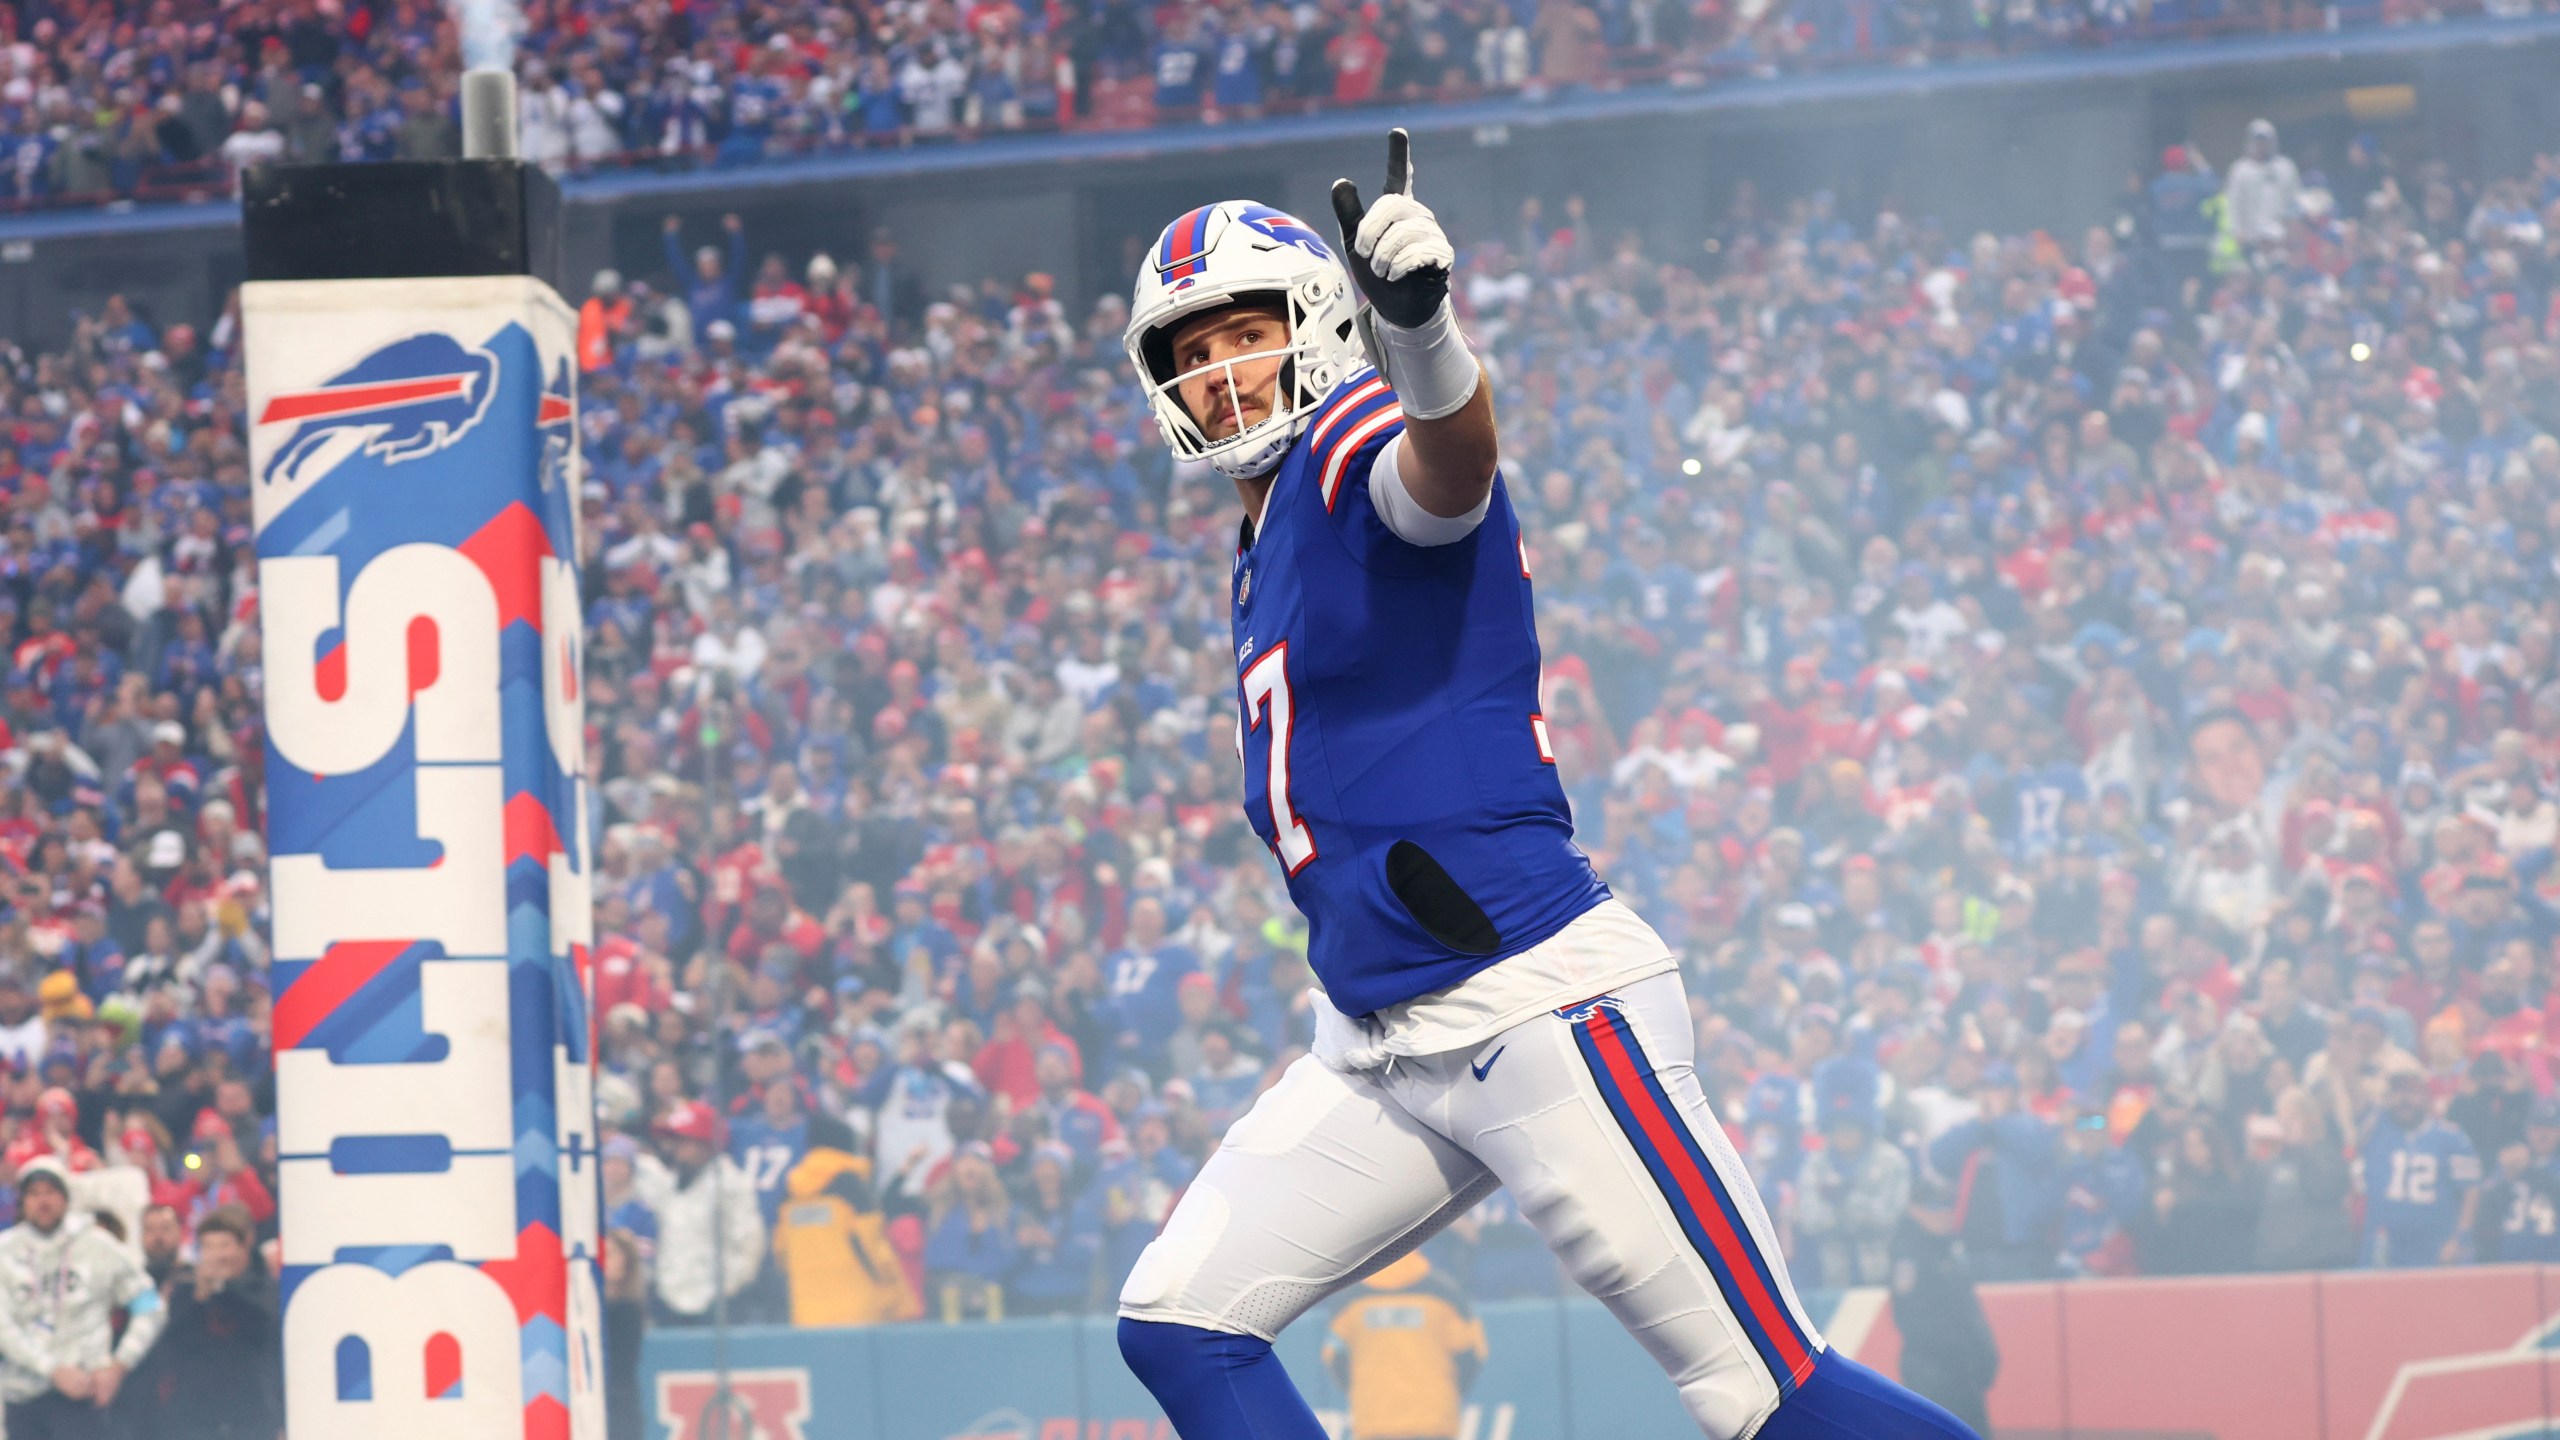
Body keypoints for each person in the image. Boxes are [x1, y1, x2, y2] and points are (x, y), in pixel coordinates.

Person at [1111, 131, 1976, 1440]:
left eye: (1240, 333)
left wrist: (1424, 335)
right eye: (1187, 353)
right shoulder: (1260, 534)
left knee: (1764, 1392)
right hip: (1371, 1039)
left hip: (1535, 1002)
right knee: (1182, 1322)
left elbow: (1447, 474)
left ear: (1322, 325)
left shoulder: (1351, 431)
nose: (1216, 374)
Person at [0, 1160, 166, 1440]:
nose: (43, 1201)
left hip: (84, 1392)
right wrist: (52, 1370)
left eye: (51, 1191)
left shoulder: (98, 1245)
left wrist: (119, 1366)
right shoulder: (5, 1250)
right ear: (22, 1202)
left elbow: (149, 1305)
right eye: (34, 1193)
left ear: (66, 1198)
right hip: (23, 1395)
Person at [119, 1204, 279, 1440]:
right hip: (194, 1417)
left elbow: (262, 1329)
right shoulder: (185, 1291)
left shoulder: (263, 1287)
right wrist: (199, 1298)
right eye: (208, 1247)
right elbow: (172, 1344)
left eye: (224, 1246)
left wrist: (224, 1288)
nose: (216, 1255)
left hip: (252, 1415)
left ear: (243, 1247)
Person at [1318, 1253, 1485, 1440]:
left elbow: (1334, 1356)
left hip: (1374, 1421)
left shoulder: (1349, 1299)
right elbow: (1471, 1354)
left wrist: (1362, 1391)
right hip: (1433, 1422)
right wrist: (1451, 1394)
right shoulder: (1445, 1293)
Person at [2360, 1068, 2481, 1268]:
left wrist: (2460, 1236)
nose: (2404, 1100)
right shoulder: (2376, 1130)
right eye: (2398, 1093)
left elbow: (2471, 1189)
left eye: (2412, 1092)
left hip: (2434, 1244)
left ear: (2426, 1097)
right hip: (2385, 1245)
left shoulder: (2452, 1137)